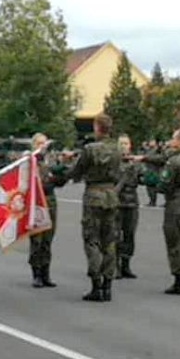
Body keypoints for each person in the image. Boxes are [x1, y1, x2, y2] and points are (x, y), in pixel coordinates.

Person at [65, 114, 121, 302]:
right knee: (110, 241)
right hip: (111, 195)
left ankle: (96, 284)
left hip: (94, 195)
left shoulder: (90, 149)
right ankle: (108, 284)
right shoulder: (117, 149)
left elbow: (77, 171)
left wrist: (62, 176)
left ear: (97, 127)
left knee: (92, 239)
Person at [145, 128, 180, 294]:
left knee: (175, 243)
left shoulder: (173, 162)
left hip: (176, 204)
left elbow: (164, 185)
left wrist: (151, 180)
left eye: (173, 138)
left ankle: (179, 280)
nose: (170, 141)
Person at [29, 133, 66, 288]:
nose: (42, 146)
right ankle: (36, 273)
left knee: (48, 239)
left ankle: (46, 273)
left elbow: (59, 182)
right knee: (37, 239)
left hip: (50, 199)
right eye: (39, 143)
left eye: (44, 143)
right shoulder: (30, 161)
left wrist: (62, 170)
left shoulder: (50, 160)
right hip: (36, 200)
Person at [115, 134, 143, 279]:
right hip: (117, 202)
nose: (124, 146)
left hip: (132, 202)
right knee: (115, 235)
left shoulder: (135, 163)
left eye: (126, 143)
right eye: (121, 143)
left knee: (129, 234)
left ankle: (126, 264)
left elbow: (142, 178)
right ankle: (115, 266)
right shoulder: (113, 162)